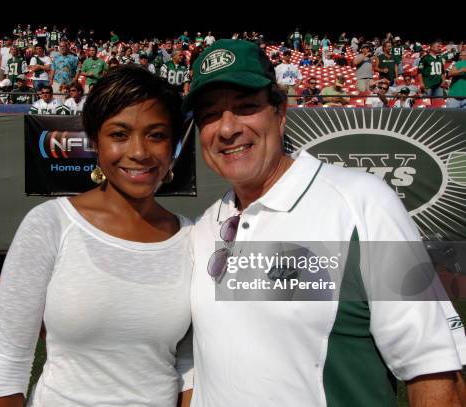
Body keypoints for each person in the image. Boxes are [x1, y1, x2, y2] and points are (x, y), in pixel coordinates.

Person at [181, 38, 466, 407]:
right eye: (209, 115)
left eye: (246, 107)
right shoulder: (203, 228)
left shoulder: (363, 202)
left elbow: (434, 372)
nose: (226, 128)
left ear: (280, 112)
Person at [0, 64, 193, 406]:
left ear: (174, 145)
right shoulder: (49, 224)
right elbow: (9, 365)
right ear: (94, 141)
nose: (139, 152)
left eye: (156, 134)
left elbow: (190, 367)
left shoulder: (192, 237)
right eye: (119, 134)